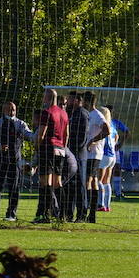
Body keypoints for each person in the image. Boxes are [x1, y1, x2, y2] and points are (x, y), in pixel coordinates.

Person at [0, 101, 31, 221]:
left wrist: (38, 134)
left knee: (14, 187)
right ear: (3, 110)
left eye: (13, 109)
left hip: (15, 160)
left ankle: (11, 214)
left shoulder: (20, 124)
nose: (11, 112)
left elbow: (29, 135)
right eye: (9, 109)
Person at [31, 89, 70, 222]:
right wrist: (63, 148)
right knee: (57, 182)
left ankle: (44, 214)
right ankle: (63, 215)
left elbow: (41, 134)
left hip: (48, 148)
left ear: (46, 98)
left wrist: (37, 148)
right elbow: (67, 134)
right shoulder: (64, 114)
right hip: (60, 150)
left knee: (44, 182)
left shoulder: (46, 113)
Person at [81, 94, 110, 223]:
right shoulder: (88, 114)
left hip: (94, 153)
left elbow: (107, 130)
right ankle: (91, 215)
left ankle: (86, 211)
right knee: (93, 181)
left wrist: (93, 140)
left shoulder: (97, 115)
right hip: (89, 154)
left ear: (87, 101)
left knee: (88, 181)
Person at [61, 92, 88, 221]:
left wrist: (73, 150)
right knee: (70, 185)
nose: (68, 102)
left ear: (77, 100)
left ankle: (82, 214)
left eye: (71, 99)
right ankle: (69, 214)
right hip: (70, 154)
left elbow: (82, 137)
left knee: (79, 185)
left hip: (78, 155)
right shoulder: (71, 113)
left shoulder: (82, 114)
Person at [104, 106, 128, 206]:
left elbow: (126, 131)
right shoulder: (103, 121)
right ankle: (104, 197)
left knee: (116, 169)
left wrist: (120, 144)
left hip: (113, 150)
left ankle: (118, 192)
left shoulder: (115, 122)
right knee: (104, 174)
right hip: (105, 150)